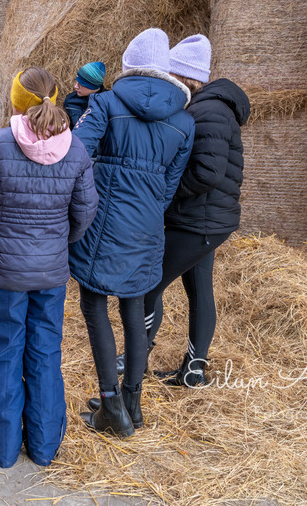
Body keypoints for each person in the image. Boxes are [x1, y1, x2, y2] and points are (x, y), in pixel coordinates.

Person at [0, 67, 97, 468]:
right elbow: (85, 212)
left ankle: (3, 451)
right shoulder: (75, 148)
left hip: (5, 272)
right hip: (50, 271)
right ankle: (44, 448)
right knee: (45, 353)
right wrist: (59, 243)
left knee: (5, 352)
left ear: (17, 101)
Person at [68, 28, 195, 437]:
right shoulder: (184, 121)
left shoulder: (105, 103)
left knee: (94, 305)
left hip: (103, 224)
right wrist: (148, 211)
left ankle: (111, 407)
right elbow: (170, 185)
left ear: (129, 65)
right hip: (147, 227)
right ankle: (132, 403)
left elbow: (75, 153)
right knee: (134, 311)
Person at [143, 35, 250, 387]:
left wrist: (165, 192)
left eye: (170, 76)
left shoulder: (209, 112)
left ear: (183, 77)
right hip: (205, 218)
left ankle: (134, 362)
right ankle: (193, 372)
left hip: (199, 220)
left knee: (148, 286)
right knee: (199, 290)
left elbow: (207, 173)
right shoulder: (206, 108)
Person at [63, 61, 106, 128]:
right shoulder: (70, 100)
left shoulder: (108, 102)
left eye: (80, 84)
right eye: (76, 82)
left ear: (91, 86)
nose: (76, 86)